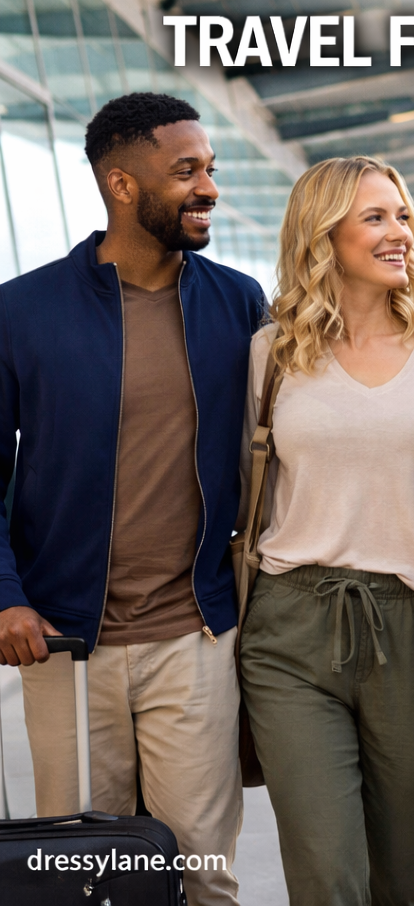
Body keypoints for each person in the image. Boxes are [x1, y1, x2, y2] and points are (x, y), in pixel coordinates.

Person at [0, 93, 265, 905]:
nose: (208, 188)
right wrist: (6, 597)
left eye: (210, 168)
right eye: (186, 171)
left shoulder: (239, 302)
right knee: (86, 879)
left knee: (204, 875)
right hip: (64, 644)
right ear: (122, 184)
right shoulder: (20, 312)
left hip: (194, 636)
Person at [238, 155, 414, 906]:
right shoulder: (272, 353)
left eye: (402, 215)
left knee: (411, 880)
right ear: (323, 234)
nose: (399, 232)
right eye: (374, 217)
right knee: (326, 874)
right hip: (291, 627)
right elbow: (251, 488)